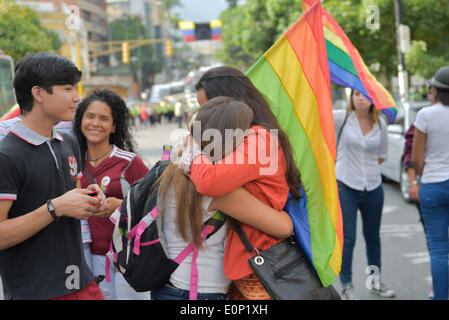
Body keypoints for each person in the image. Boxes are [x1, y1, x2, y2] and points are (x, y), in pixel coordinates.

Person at [152, 96, 293, 300]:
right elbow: (283, 227)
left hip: (165, 286)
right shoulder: (219, 190)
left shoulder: (170, 172)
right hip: (203, 292)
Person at [180, 66, 302, 300]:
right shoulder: (243, 139)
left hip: (261, 261)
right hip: (248, 261)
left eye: (206, 107)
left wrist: (192, 149)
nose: (202, 116)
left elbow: (210, 182)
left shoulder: (259, 138)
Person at [0, 52, 106, 300]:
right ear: (38, 93)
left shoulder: (69, 142)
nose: (77, 98)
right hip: (35, 291)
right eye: (68, 89)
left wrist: (91, 199)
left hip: (81, 282)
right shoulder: (7, 156)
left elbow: (73, 196)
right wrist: (54, 208)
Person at [73, 89, 150, 300]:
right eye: (90, 116)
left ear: (114, 126)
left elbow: (155, 205)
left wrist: (122, 205)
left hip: (127, 256)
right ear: (80, 120)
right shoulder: (72, 162)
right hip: (91, 257)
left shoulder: (129, 162)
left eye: (104, 118)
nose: (95, 123)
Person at [333, 90, 395, 300]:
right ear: (351, 97)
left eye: (366, 95)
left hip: (373, 187)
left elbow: (382, 155)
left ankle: (374, 282)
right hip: (345, 186)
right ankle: (347, 286)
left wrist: (364, 170)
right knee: (348, 239)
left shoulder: (381, 124)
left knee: (373, 238)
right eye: (357, 94)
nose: (361, 98)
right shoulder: (340, 118)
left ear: (373, 100)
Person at [412, 66, 449, 301]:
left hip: (434, 185)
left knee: (439, 249)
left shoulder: (425, 114)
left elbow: (417, 157)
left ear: (435, 90)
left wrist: (425, 177)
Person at [403, 83, 437, 298]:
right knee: (434, 240)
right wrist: (413, 182)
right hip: (429, 186)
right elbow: (410, 151)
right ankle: (439, 284)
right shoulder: (423, 118)